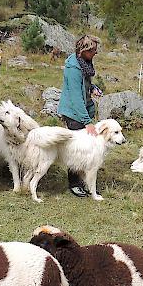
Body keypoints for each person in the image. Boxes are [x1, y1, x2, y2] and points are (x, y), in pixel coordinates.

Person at [57, 34, 103, 197]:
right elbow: (76, 98)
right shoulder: (73, 68)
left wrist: (92, 88)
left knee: (84, 148)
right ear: (84, 51)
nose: (95, 53)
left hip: (83, 110)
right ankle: (74, 183)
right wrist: (87, 122)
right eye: (93, 50)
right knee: (75, 149)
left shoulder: (85, 63)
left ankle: (84, 178)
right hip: (74, 113)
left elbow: (85, 85)